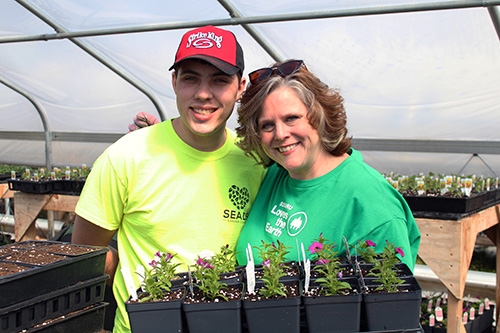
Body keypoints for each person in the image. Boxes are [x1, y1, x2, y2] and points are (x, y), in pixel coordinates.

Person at [71, 25, 265, 333]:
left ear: (241, 87)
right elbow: (85, 257)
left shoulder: (257, 161)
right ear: (174, 81)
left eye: (220, 80)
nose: (203, 93)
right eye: (190, 78)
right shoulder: (125, 157)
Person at [234, 59, 420, 271]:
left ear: (319, 115)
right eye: (267, 125)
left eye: (292, 118)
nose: (280, 134)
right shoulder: (275, 173)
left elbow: (389, 299)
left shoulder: (371, 203)